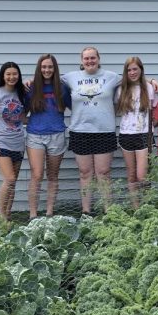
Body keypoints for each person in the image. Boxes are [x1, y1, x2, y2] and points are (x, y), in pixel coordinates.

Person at [61, 47, 121, 214]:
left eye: (93, 58)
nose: (90, 61)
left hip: (104, 131)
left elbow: (133, 79)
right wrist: (30, 81)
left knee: (103, 173)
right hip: (80, 131)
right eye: (86, 58)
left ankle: (108, 211)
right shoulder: (71, 77)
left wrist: (151, 80)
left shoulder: (111, 77)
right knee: (85, 173)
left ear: (99, 59)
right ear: (81, 61)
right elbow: (47, 79)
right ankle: (86, 212)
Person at [25, 54, 71, 219]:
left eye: (50, 67)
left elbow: (75, 106)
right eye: (44, 67)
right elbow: (22, 114)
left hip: (57, 134)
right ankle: (33, 215)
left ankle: (50, 212)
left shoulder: (62, 88)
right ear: (39, 69)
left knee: (52, 175)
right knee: (36, 175)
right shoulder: (30, 88)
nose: (47, 70)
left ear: (54, 69)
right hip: (35, 136)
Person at [0, 61, 27, 220]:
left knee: (12, 183)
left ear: (18, 75)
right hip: (1, 143)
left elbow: (21, 118)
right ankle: (1, 217)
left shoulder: (22, 94)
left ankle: (7, 216)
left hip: (18, 143)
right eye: (8, 74)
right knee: (9, 179)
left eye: (15, 74)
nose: (11, 77)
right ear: (3, 76)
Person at [115, 56, 158, 204]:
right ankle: (136, 208)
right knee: (132, 175)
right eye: (129, 70)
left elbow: (156, 111)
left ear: (141, 70)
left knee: (142, 176)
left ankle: (147, 206)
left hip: (144, 135)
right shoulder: (121, 89)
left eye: (135, 69)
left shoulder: (149, 88)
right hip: (126, 135)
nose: (132, 72)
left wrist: (151, 80)